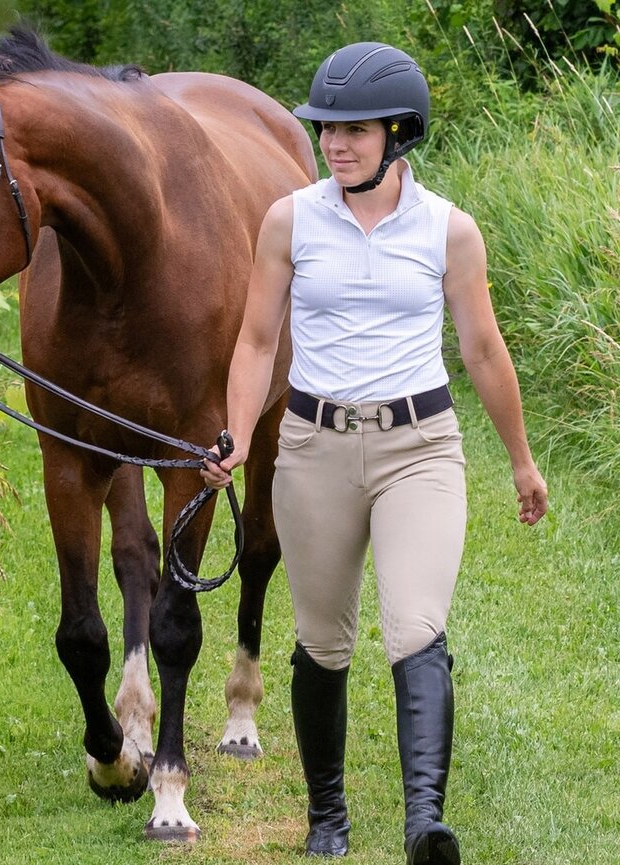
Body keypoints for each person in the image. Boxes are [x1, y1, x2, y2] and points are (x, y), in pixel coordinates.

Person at [201, 42, 548, 864]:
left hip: (418, 447)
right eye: (325, 130)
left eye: (352, 131)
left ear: (399, 134)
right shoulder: (288, 219)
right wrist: (239, 433)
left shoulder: (447, 231)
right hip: (314, 449)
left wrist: (522, 461)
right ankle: (328, 819)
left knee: (415, 627)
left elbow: (484, 352)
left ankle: (424, 822)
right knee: (322, 640)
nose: (333, 145)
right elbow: (255, 341)